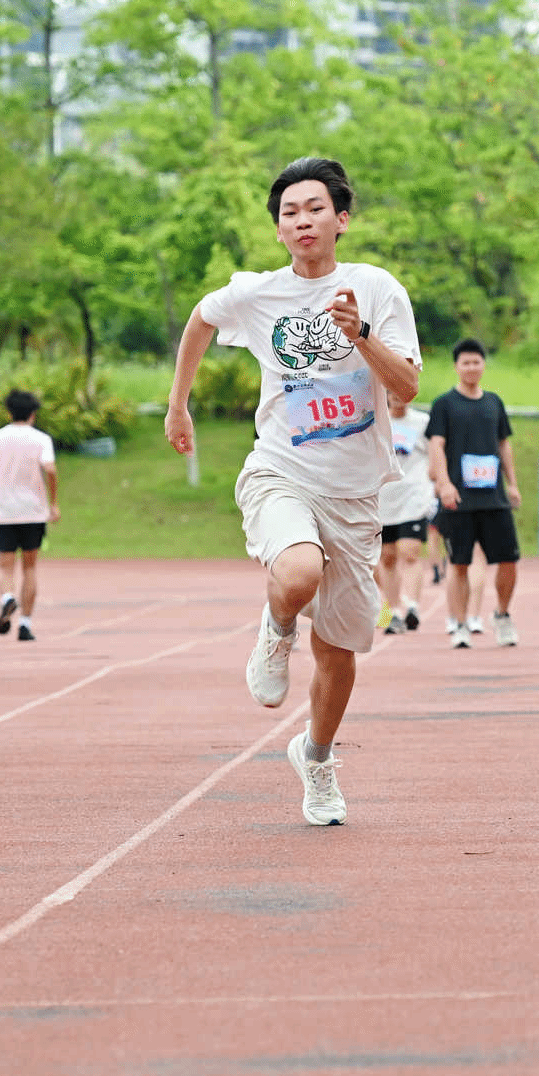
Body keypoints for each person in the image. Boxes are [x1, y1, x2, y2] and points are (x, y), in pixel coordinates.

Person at [165, 156, 421, 826]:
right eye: (289, 212)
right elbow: (200, 318)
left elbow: (406, 387)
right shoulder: (258, 294)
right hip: (281, 470)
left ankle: (316, 757)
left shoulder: (376, 288)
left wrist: (359, 335)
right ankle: (277, 628)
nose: (302, 220)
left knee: (338, 651)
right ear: (278, 229)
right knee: (299, 570)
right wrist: (178, 404)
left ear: (342, 219)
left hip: (355, 494)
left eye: (315, 209)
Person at [427, 338, 521, 649]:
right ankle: (460, 623)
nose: (471, 367)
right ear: (456, 366)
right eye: (465, 362)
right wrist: (444, 483)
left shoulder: (494, 403)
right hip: (459, 500)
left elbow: (504, 444)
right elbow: (436, 445)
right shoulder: (444, 404)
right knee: (459, 564)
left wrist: (512, 484)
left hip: (493, 498)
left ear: (483, 365)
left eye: (476, 362)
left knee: (508, 561)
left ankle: (502, 615)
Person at [0, 389, 59, 641]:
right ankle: (25, 625)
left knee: (5, 566)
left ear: (10, 413)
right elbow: (50, 469)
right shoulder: (41, 439)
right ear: (33, 414)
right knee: (30, 567)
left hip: (4, 512)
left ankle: (7, 598)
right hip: (32, 511)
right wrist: (53, 502)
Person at [375, 391, 434, 635]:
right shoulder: (377, 421)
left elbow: (435, 455)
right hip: (383, 499)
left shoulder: (423, 422)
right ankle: (393, 611)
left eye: (402, 392)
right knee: (387, 557)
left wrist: (434, 486)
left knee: (409, 552)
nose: (398, 397)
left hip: (413, 497)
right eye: (392, 393)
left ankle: (412, 606)